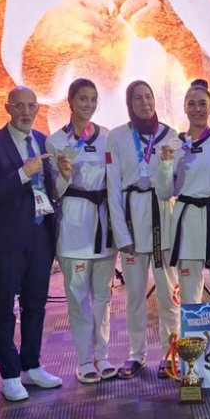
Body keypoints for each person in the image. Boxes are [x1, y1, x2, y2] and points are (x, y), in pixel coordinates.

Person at [1, 0, 210, 130]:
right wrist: (43, 47)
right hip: (87, 168)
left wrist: (176, 35)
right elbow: (24, 71)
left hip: (175, 161)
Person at [0, 86, 63, 401]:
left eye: (31, 106)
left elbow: (50, 190)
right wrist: (23, 173)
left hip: (41, 235)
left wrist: (63, 177)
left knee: (36, 305)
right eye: (19, 106)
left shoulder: (44, 141)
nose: (26, 112)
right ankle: (9, 374)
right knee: (4, 308)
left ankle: (32, 365)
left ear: (38, 108)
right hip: (6, 240)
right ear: (7, 108)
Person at [106, 80, 180, 379]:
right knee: (134, 296)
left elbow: (175, 182)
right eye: (137, 98)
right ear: (129, 103)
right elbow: (113, 188)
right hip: (132, 221)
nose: (144, 103)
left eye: (148, 97)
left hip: (164, 219)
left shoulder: (171, 136)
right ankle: (136, 355)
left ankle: (171, 354)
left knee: (168, 295)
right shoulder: (117, 137)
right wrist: (120, 234)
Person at [47, 78, 118, 384]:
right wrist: (64, 175)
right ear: (71, 102)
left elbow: (114, 181)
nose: (88, 104)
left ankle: (102, 355)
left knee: (102, 296)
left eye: (93, 99)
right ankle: (84, 360)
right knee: (77, 298)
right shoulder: (54, 141)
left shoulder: (108, 137)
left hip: (103, 223)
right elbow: (53, 191)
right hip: (73, 225)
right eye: (83, 99)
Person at [157, 79, 210, 304]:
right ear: (185, 108)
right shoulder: (175, 146)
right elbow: (164, 194)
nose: (197, 109)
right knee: (190, 300)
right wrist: (165, 166)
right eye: (192, 104)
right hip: (187, 224)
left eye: (203, 104)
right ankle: (194, 330)